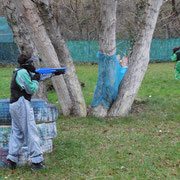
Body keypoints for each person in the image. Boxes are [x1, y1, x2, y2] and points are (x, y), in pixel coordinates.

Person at [6, 53, 65, 170]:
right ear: (28, 64)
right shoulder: (22, 73)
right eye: (32, 63)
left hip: (15, 104)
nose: (33, 65)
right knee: (31, 131)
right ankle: (36, 162)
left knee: (17, 132)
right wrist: (37, 80)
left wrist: (53, 73)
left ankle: (11, 160)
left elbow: (36, 76)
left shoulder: (21, 71)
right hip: (21, 103)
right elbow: (31, 88)